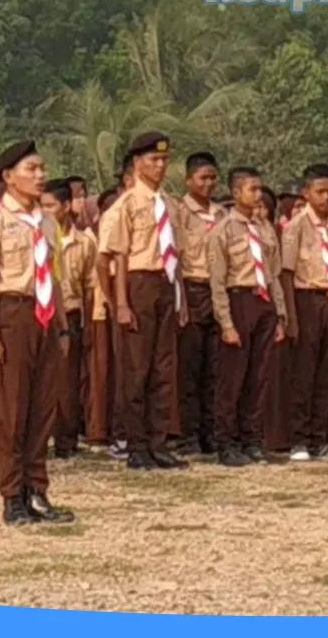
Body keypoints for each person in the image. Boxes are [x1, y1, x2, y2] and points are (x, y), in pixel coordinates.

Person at [0, 139, 74, 525]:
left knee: (43, 407)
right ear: (8, 177)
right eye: (31, 169)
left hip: (45, 315)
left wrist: (63, 328)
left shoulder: (47, 222)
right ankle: (12, 495)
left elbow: (56, 276)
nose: (40, 175)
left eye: (41, 168)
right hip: (12, 312)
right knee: (12, 409)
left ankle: (38, 489)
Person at [103, 132, 189, 471]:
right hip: (138, 282)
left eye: (164, 160)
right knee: (136, 369)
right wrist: (121, 303)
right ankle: (136, 445)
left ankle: (158, 442)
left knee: (163, 369)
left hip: (165, 284)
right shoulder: (126, 203)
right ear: (137, 164)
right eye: (153, 160)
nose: (160, 165)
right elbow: (119, 257)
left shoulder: (168, 203)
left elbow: (176, 254)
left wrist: (180, 296)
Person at [206, 167, 285, 466]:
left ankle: (251, 438)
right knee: (232, 378)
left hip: (263, 302)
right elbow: (217, 282)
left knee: (258, 375)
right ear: (236, 193)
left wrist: (280, 316)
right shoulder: (223, 230)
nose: (258, 194)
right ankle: (226, 442)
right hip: (238, 301)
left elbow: (274, 275)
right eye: (252, 189)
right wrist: (226, 323)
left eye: (260, 189)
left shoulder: (265, 228)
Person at [280, 164, 328, 463]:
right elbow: (286, 272)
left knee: (327, 374)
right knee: (304, 374)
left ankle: (321, 438)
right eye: (320, 192)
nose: (326, 198)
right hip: (306, 299)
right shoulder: (296, 227)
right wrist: (291, 317)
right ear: (306, 193)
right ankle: (299, 439)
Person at [41, 179, 96, 459]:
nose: (46, 211)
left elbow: (89, 286)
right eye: (42, 205)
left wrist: (87, 325)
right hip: (41, 313)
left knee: (67, 381)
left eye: (51, 205)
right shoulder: (36, 237)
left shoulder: (84, 243)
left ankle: (66, 439)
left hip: (71, 314)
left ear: (65, 206)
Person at [176, 152, 226, 456]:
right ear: (189, 180)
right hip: (192, 289)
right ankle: (187, 434)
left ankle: (211, 432)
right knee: (190, 367)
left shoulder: (222, 215)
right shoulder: (180, 213)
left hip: (218, 291)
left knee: (216, 368)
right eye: (202, 178)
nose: (208, 183)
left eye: (213, 177)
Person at [86, 186, 121, 454]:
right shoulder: (90, 240)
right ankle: (99, 429)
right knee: (100, 371)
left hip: (123, 309)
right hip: (98, 310)